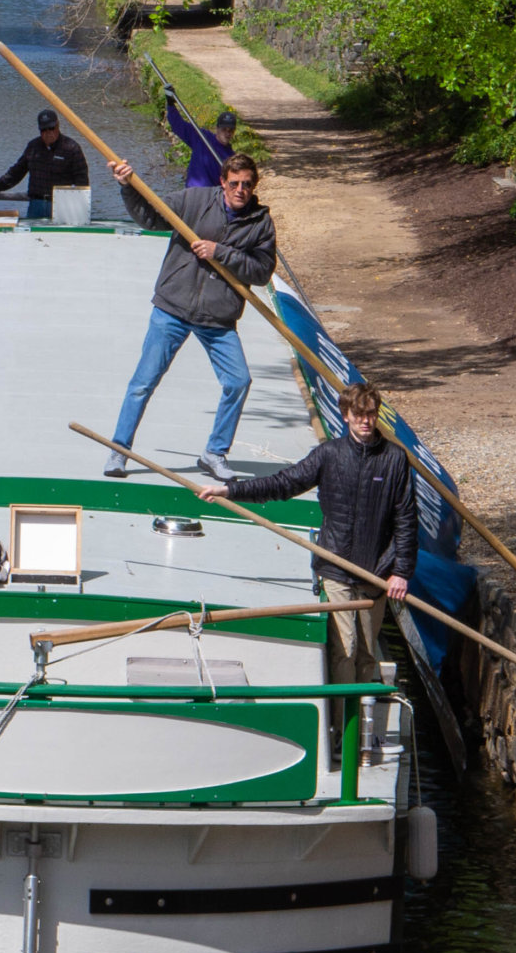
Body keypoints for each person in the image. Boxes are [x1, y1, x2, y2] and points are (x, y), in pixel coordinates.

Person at [198, 380, 415, 657]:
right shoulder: (329, 454)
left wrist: (401, 573)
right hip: (335, 567)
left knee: (367, 655)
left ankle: (360, 698)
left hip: (375, 573)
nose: (366, 421)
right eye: (359, 414)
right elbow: (283, 484)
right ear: (345, 415)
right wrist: (229, 490)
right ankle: (339, 699)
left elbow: (406, 519)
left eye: (371, 414)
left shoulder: (395, 459)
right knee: (345, 650)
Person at [102, 147, 277, 479]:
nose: (241, 191)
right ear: (222, 182)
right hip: (173, 307)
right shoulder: (195, 201)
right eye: (235, 183)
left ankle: (214, 453)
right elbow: (150, 216)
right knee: (143, 382)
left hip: (218, 319)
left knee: (238, 381)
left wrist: (219, 252)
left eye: (248, 185)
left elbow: (262, 271)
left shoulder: (260, 223)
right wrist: (127, 187)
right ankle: (119, 451)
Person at [0, 110, 91, 219]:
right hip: (36, 204)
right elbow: (15, 173)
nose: (48, 133)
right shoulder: (33, 147)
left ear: (58, 126)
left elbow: (82, 182)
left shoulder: (71, 148)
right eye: (44, 130)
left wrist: (79, 211)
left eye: (51, 128)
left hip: (62, 205)